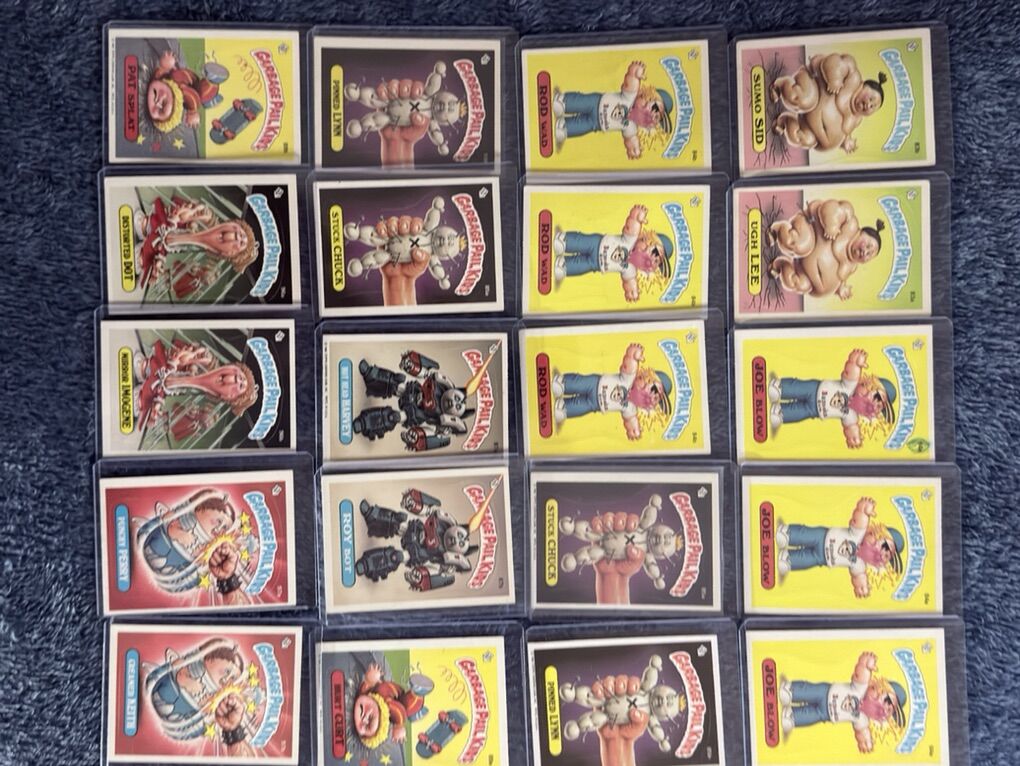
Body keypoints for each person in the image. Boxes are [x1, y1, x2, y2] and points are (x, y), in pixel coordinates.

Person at [776, 496, 905, 597]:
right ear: (876, 533)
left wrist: (861, 587)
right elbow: (860, 516)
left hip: (821, 559)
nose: (881, 555)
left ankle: (788, 560)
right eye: (885, 547)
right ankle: (788, 534)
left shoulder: (859, 564)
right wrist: (864, 508)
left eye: (887, 557)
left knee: (806, 559)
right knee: (805, 534)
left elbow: (858, 576)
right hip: (822, 536)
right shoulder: (859, 533)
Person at [780, 651, 907, 754]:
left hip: (825, 715)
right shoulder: (861, 687)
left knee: (810, 715)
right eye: (887, 701)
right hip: (825, 693)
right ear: (878, 687)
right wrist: (866, 662)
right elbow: (861, 671)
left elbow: (862, 732)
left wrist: (865, 742)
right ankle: (790, 691)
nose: (884, 709)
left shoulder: (862, 718)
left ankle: (791, 717)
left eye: (889, 711)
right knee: (809, 690)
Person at [768, 348, 896, 449]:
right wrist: (856, 361)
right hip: (814, 389)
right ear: (868, 383)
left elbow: (851, 428)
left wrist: (854, 438)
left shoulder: (851, 415)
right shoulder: (851, 385)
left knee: (799, 412)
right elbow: (851, 369)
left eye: (880, 408)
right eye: (877, 398)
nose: (874, 406)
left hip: (814, 411)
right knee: (798, 387)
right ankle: (780, 388)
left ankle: (780, 413)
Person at [553, 61, 674, 159]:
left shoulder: (631, 127)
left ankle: (564, 127)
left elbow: (630, 139)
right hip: (596, 102)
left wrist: (634, 149)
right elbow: (630, 81)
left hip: (596, 124)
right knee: (581, 101)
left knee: (582, 126)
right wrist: (635, 72)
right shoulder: (630, 96)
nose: (651, 115)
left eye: (657, 118)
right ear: (646, 95)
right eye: (654, 108)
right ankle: (563, 102)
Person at [553, 204, 674, 302]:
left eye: (657, 262)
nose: (651, 260)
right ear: (646, 239)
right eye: (654, 253)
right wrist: (637, 216)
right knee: (581, 241)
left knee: (581, 265)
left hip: (595, 265)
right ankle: (565, 241)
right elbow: (632, 225)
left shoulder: (630, 270)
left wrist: (631, 291)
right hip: (596, 243)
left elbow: (629, 282)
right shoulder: (631, 239)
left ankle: (564, 266)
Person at [552, 343, 673, 441]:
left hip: (595, 405)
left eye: (656, 400)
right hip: (595, 383)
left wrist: (633, 430)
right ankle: (563, 384)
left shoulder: (630, 408)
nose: (652, 398)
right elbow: (629, 362)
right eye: (654, 389)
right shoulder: (629, 378)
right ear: (646, 377)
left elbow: (630, 420)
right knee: (579, 382)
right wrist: (633, 353)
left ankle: (563, 408)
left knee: (580, 406)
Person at [770, 53, 887, 154]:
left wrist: (845, 143)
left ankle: (784, 121)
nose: (868, 105)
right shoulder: (853, 78)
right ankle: (779, 85)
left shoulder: (856, 120)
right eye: (871, 98)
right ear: (864, 86)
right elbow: (835, 61)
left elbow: (843, 132)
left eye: (872, 107)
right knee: (805, 100)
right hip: (812, 83)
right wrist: (834, 79)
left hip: (809, 126)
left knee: (805, 140)